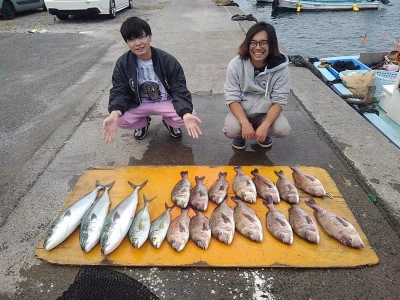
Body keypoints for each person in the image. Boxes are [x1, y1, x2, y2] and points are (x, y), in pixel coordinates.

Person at [102, 17, 202, 143]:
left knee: (188, 114)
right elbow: (119, 90)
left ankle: (169, 122)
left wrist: (185, 112)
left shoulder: (167, 60)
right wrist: (114, 113)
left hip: (164, 101)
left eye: (141, 37)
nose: (137, 43)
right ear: (126, 42)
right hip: (138, 103)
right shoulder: (123, 63)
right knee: (119, 118)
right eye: (131, 39)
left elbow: (179, 88)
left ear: (150, 37)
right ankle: (142, 123)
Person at [223, 21, 291, 150]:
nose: (258, 47)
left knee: (283, 129)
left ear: (272, 44)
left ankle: (262, 132)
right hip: (242, 110)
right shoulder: (235, 64)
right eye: (253, 42)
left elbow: (279, 101)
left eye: (263, 42)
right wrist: (244, 123)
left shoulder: (281, 69)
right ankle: (241, 134)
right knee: (231, 130)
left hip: (265, 112)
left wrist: (265, 125)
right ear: (247, 44)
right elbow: (232, 97)